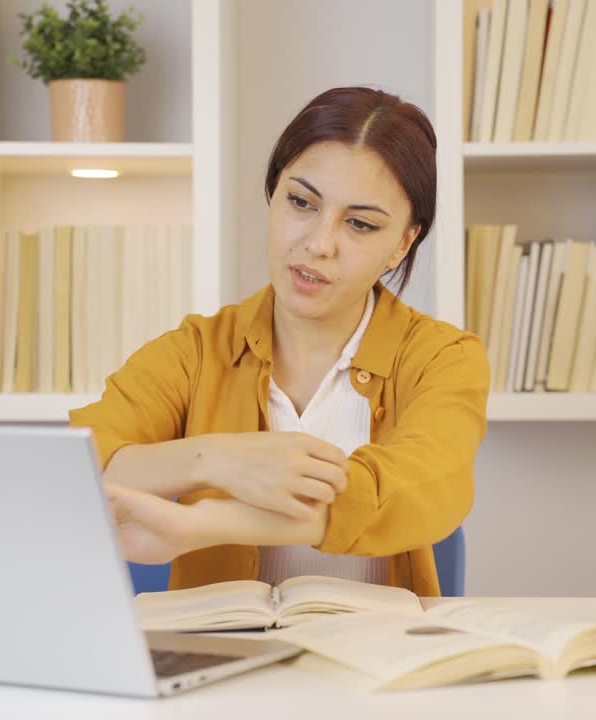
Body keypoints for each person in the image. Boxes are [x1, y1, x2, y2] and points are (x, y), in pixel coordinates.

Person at [69, 86, 488, 596]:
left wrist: (207, 524)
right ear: (274, 196)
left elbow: (425, 486)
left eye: (359, 224)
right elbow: (74, 464)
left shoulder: (442, 358)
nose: (318, 243)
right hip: (226, 663)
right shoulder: (195, 350)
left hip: (379, 661)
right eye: (300, 202)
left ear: (402, 243)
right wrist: (215, 459)